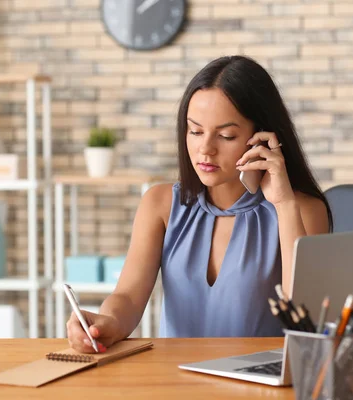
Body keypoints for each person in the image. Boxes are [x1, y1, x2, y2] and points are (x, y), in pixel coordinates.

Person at [67, 55, 332, 353]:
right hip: (176, 382)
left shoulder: (302, 210)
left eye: (226, 135)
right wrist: (105, 323)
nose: (205, 149)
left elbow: (305, 322)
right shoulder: (160, 204)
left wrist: (283, 203)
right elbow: (128, 296)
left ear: (261, 139)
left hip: (260, 386)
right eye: (195, 131)